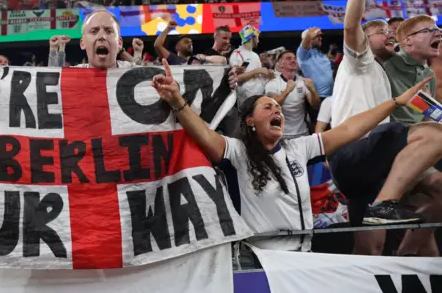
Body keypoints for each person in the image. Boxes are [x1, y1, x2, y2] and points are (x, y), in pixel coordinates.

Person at [151, 57, 432, 251]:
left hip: (302, 256)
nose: (277, 110)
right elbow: (202, 133)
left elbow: (348, 129)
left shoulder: (298, 148)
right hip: (262, 260)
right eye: (267, 107)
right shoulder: (236, 153)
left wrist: (395, 103)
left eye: (278, 107)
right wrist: (177, 101)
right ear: (249, 120)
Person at [329, 0, 442, 255]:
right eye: (381, 31)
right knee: (429, 133)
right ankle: (384, 204)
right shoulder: (359, 61)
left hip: (373, 164)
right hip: (352, 152)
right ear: (364, 40)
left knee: (370, 247)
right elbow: (352, 25)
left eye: (389, 29)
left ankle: (405, 262)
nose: (389, 32)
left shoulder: (385, 72)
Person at [385, 15, 440, 125]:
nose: (438, 33)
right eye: (428, 30)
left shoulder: (429, 74)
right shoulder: (386, 64)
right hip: (388, 137)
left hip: (419, 136)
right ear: (408, 40)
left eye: (437, 29)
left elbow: (427, 117)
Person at [265, 51, 320, 139]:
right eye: (288, 58)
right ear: (280, 64)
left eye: (295, 58)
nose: (293, 60)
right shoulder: (272, 84)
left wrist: (313, 90)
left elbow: (316, 105)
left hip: (302, 132)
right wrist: (287, 90)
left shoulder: (303, 82)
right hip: (281, 133)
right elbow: (274, 106)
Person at [230, 25, 274, 105]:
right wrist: (258, 71)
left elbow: (258, 78)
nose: (258, 41)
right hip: (247, 101)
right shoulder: (238, 54)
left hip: (260, 97)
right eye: (257, 37)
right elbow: (236, 79)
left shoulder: (254, 55)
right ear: (251, 37)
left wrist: (267, 75)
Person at [297, 27, 334, 99]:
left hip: (331, 96)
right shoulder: (303, 54)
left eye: (320, 36)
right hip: (317, 97)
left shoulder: (321, 54)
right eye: (317, 36)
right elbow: (306, 41)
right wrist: (310, 33)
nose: (320, 38)